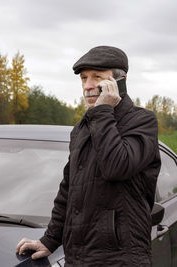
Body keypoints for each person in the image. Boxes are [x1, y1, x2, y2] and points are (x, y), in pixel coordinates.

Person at [16, 46, 161, 266]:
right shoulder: (82, 128)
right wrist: (50, 240)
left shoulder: (142, 122)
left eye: (97, 77)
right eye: (84, 78)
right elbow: (69, 188)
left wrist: (103, 111)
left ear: (120, 81)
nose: (88, 86)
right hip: (78, 258)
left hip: (121, 258)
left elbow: (117, 166)